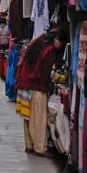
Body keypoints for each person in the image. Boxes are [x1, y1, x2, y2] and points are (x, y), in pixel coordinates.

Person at [15, 29, 68, 157]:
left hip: (23, 85)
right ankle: (39, 148)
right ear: (56, 40)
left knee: (28, 118)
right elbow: (47, 73)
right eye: (61, 44)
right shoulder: (49, 51)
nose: (60, 47)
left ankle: (29, 145)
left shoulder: (37, 44)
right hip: (36, 87)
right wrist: (63, 79)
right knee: (38, 119)